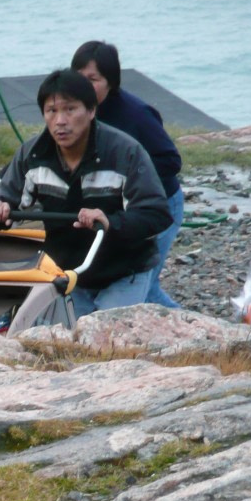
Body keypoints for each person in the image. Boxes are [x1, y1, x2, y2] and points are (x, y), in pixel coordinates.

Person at [0, 69, 171, 316]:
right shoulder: (32, 155)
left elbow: (156, 214)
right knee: (67, 340)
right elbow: (6, 199)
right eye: (52, 111)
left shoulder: (125, 152)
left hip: (125, 269)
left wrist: (110, 222)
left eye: (70, 110)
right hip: (68, 271)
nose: (60, 121)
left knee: (108, 336)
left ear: (91, 111)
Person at [72, 40, 184, 308]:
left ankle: (198, 335)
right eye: (79, 78)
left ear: (111, 81)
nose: (85, 86)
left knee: (143, 284)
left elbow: (171, 160)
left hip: (158, 205)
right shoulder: (76, 113)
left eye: (93, 79)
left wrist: (129, 179)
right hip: (113, 209)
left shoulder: (136, 114)